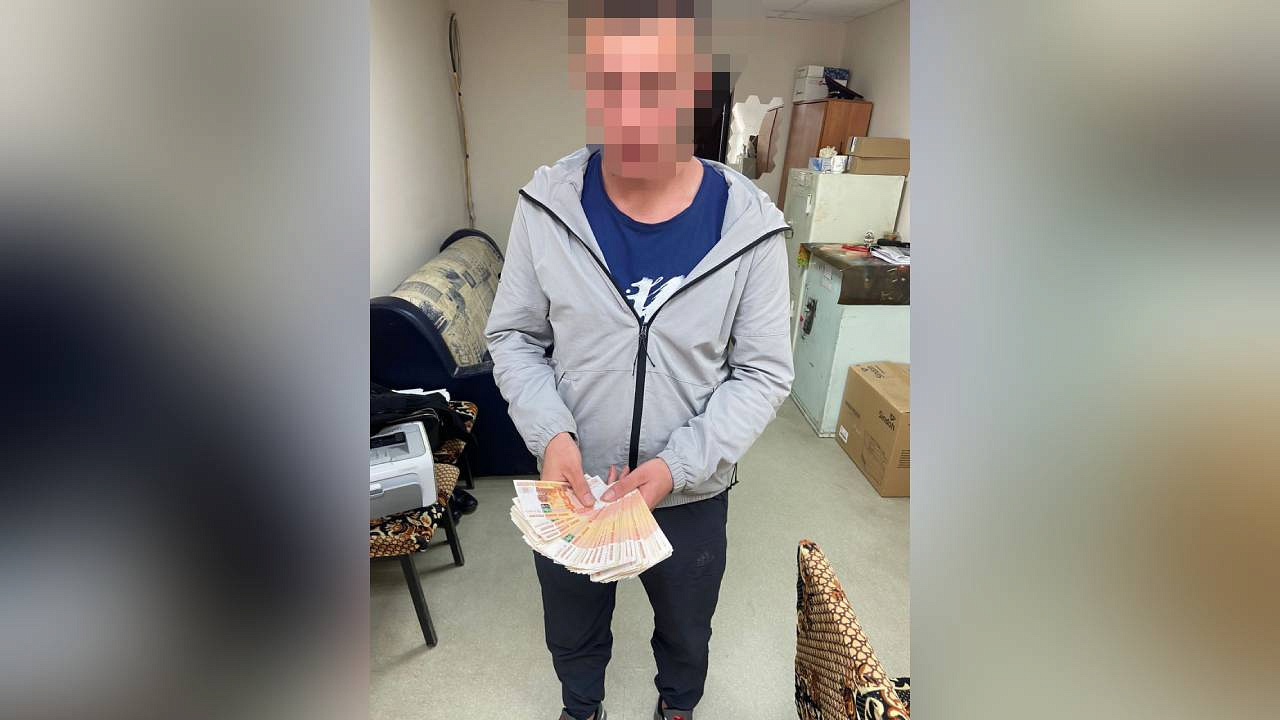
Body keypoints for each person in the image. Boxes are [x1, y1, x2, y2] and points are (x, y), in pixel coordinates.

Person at [484, 3, 794, 719]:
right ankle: (581, 708)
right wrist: (552, 437)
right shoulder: (546, 206)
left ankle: (677, 708)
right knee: (572, 629)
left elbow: (763, 372)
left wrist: (677, 466)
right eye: (614, 84)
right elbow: (515, 338)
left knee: (686, 632)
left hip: (688, 492)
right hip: (573, 486)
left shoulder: (750, 228)